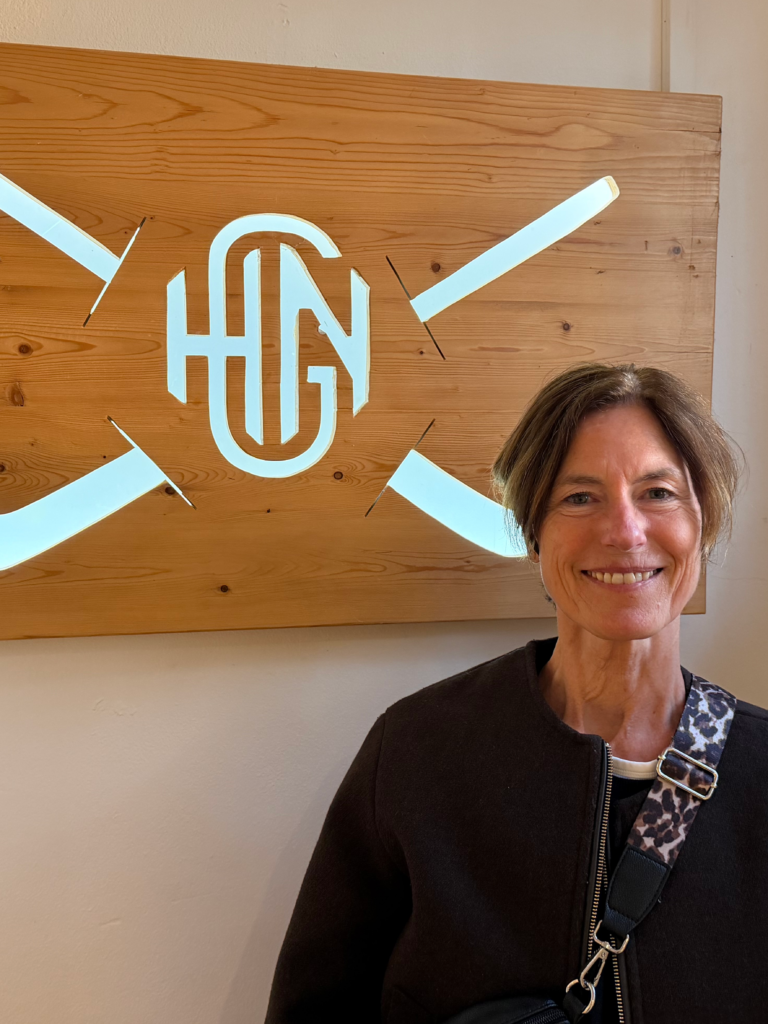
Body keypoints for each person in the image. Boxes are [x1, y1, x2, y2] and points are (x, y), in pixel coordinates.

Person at [265, 363, 768, 1024]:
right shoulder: (420, 752)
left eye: (658, 492)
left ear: (704, 524)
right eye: (580, 497)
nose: (624, 531)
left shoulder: (760, 768)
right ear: (534, 534)